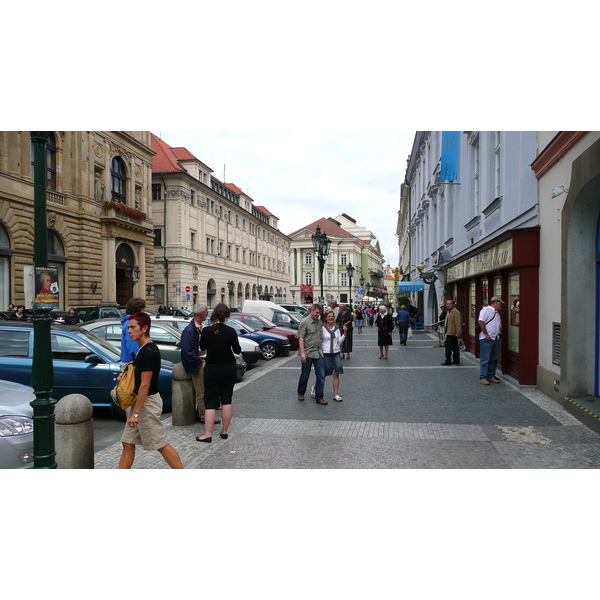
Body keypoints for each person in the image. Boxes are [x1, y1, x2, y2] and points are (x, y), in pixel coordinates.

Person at [118, 312, 184, 468]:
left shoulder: (148, 351)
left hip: (146, 404)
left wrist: (136, 413)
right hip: (141, 402)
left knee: (160, 444)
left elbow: (145, 385)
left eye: (133, 327)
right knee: (127, 443)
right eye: (128, 327)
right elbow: (140, 377)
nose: (129, 331)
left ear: (144, 328)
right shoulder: (143, 349)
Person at [195, 303, 241, 442]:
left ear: (214, 314)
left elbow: (202, 347)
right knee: (227, 400)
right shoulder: (231, 331)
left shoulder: (207, 331)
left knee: (210, 402)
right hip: (228, 368)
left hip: (212, 369)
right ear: (227, 316)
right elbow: (237, 350)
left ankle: (208, 434)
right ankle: (224, 431)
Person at [181, 303, 220, 425]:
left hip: (199, 361)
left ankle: (201, 413)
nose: (207, 315)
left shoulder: (197, 327)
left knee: (203, 390)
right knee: (201, 391)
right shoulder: (190, 330)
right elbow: (186, 351)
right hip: (195, 364)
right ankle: (204, 416)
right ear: (202, 313)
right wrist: (199, 361)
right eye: (206, 312)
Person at [297, 303, 327, 405]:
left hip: (318, 352)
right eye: (317, 313)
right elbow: (301, 338)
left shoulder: (320, 322)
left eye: (320, 313)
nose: (318, 315)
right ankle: (301, 392)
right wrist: (302, 353)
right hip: (308, 352)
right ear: (312, 311)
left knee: (321, 375)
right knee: (305, 375)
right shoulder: (304, 322)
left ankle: (319, 397)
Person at [321, 308, 348, 401]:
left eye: (332, 316)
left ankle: (336, 394)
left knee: (336, 374)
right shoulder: (322, 328)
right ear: (325, 318)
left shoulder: (336, 328)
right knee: (324, 374)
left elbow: (339, 342)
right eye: (329, 316)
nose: (331, 318)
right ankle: (315, 388)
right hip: (326, 353)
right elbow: (319, 341)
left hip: (336, 353)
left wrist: (344, 333)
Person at [478, 296, 504, 385]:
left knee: (493, 359)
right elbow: (481, 322)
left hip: (495, 338)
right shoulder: (485, 310)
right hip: (487, 338)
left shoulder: (497, 313)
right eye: (500, 303)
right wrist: (486, 334)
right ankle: (483, 377)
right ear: (496, 302)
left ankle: (491, 376)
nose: (501, 305)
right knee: (485, 359)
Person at [120, 297, 146, 367]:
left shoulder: (129, 322)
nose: (145, 312)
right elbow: (133, 346)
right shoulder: (131, 324)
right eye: (143, 309)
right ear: (140, 311)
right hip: (131, 364)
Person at [441, 299, 462, 365]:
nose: (448, 305)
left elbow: (458, 323)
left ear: (453, 304)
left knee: (449, 348)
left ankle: (448, 360)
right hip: (449, 332)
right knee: (454, 348)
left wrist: (458, 333)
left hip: (452, 333)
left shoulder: (455, 312)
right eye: (447, 304)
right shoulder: (449, 312)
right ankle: (456, 360)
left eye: (450, 304)